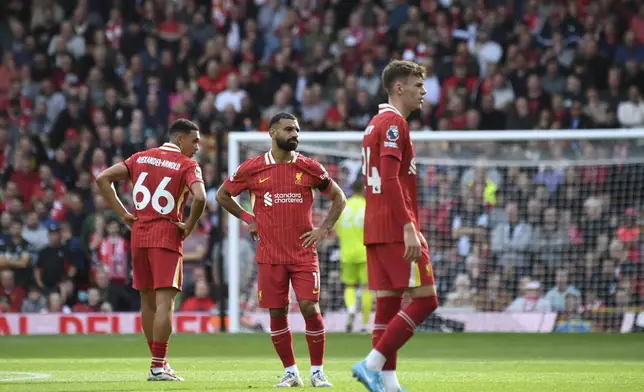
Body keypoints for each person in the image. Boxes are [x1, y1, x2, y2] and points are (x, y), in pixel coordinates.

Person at [216, 112, 347, 388]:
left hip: (302, 254)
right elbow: (222, 195)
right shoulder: (252, 168)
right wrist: (249, 218)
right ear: (272, 133)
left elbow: (339, 198)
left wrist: (323, 229)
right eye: (289, 129)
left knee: (310, 307)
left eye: (297, 130)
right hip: (270, 254)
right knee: (277, 313)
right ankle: (291, 372)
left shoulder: (310, 167)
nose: (295, 134)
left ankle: (317, 372)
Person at [96, 119, 207, 381]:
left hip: (139, 235)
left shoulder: (141, 157)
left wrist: (124, 214)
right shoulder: (187, 164)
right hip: (166, 234)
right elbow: (200, 197)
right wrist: (189, 227)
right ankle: (158, 365)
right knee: (165, 302)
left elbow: (103, 178)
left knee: (147, 300)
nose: (198, 148)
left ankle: (159, 362)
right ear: (180, 139)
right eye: (195, 141)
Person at [352, 60, 439, 392]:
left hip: (376, 227)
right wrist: (407, 227)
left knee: (387, 306)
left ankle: (388, 385)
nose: (424, 91)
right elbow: (389, 178)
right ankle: (371, 365)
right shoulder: (393, 124)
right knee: (427, 299)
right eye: (418, 85)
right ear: (399, 88)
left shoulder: (374, 123)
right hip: (394, 227)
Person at [336, 177, 372, 333]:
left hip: (347, 253)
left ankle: (351, 309)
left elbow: (338, 231)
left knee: (349, 286)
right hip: (365, 252)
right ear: (364, 190)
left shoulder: (344, 207)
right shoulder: (368, 207)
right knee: (367, 288)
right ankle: (364, 324)